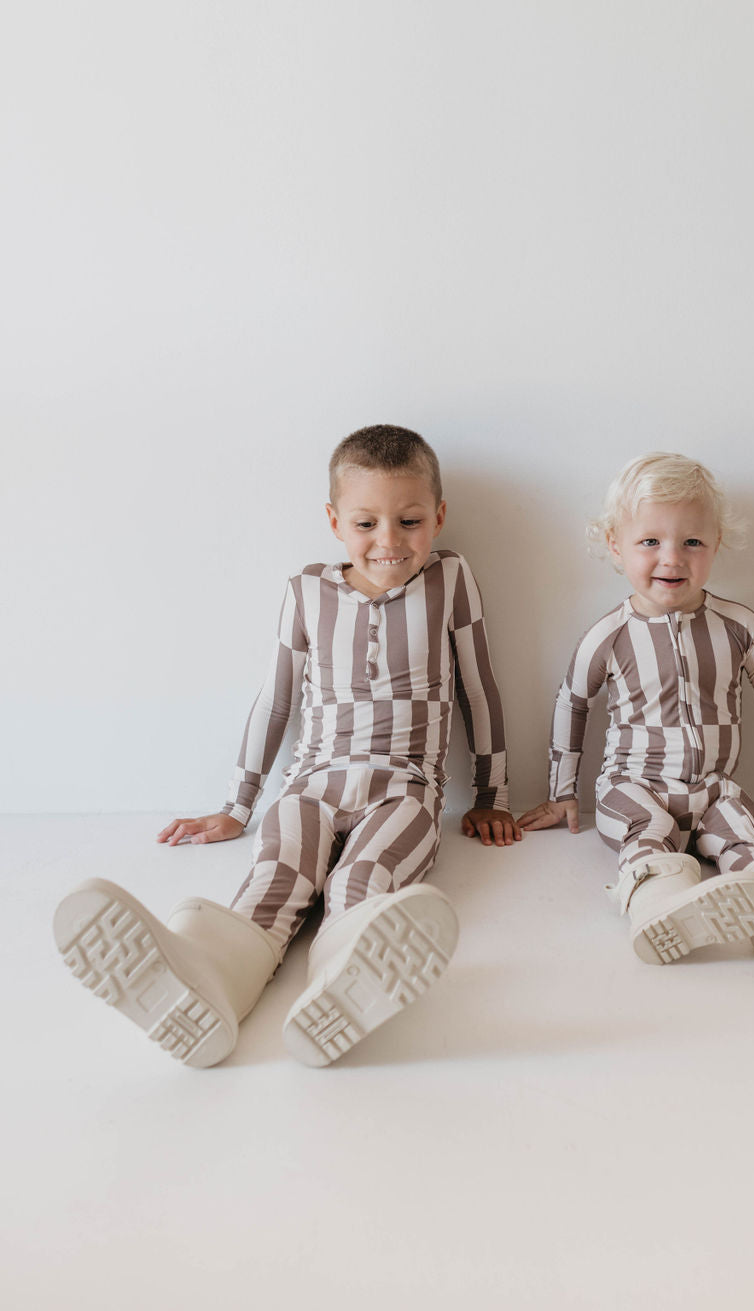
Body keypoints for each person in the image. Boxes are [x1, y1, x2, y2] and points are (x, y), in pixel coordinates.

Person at [54, 424, 520, 1067]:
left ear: (438, 517)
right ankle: (206, 979)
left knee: (362, 879)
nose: (388, 541)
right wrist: (238, 805)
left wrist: (494, 794)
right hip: (311, 783)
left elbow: (480, 687)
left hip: (405, 788)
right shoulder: (306, 590)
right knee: (279, 875)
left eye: (409, 520)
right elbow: (276, 701)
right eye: (366, 523)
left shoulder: (451, 579)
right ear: (333, 521)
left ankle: (339, 985)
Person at [519, 451, 754, 964]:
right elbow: (572, 704)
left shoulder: (740, 627)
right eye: (650, 541)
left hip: (712, 787)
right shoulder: (609, 635)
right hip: (630, 786)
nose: (672, 558)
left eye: (692, 542)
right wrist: (561, 794)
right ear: (615, 545)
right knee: (649, 835)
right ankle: (659, 902)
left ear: (716, 545)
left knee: (740, 828)